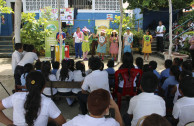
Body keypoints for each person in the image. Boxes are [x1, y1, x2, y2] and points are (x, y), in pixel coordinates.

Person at [0, 71, 66, 126]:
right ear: (44, 87)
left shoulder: (16, 96)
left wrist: (11, 123)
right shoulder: (47, 103)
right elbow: (63, 122)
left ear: (25, 86)